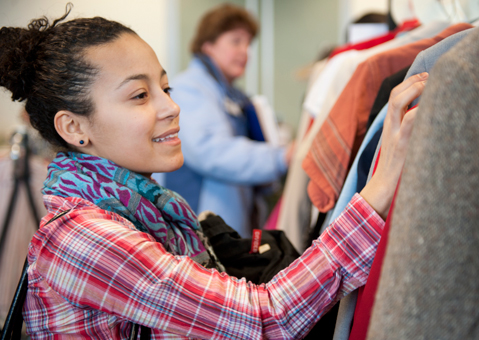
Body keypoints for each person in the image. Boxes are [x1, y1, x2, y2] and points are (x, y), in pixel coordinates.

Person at [0, 8, 426, 339]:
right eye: (140, 95)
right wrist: (379, 189)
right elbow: (265, 318)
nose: (171, 107)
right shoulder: (86, 238)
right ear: (74, 127)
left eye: (164, 88)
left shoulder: (139, 208)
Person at [164, 4, 291, 237]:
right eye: (235, 41)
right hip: (201, 225)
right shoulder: (190, 88)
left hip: (230, 223)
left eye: (248, 43)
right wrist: (281, 157)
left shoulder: (230, 94)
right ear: (208, 45)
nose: (245, 51)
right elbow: (211, 152)